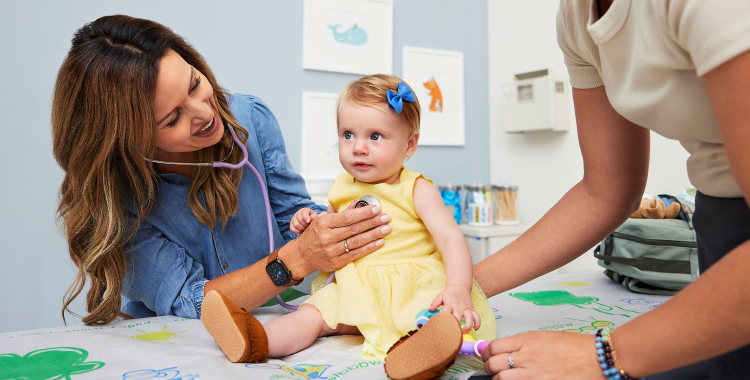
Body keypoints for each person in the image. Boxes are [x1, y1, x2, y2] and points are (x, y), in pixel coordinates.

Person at [51, 15, 391, 327]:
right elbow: (191, 300)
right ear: (129, 140)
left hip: (273, 321)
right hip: (181, 340)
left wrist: (331, 223)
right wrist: (295, 260)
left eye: (195, 83)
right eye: (173, 118)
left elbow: (294, 220)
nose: (204, 113)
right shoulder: (117, 201)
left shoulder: (250, 119)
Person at [473, 0, 750, 379]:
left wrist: (607, 354)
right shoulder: (576, 17)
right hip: (721, 222)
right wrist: (462, 287)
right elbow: (605, 190)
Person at [201, 75, 496, 378]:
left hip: (409, 285)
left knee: (428, 317)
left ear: (410, 143)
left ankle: (423, 356)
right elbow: (331, 231)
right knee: (314, 314)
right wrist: (309, 222)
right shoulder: (342, 188)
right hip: (355, 288)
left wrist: (458, 288)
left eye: (375, 136)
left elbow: (450, 238)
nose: (359, 148)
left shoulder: (416, 189)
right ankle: (256, 339)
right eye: (348, 135)